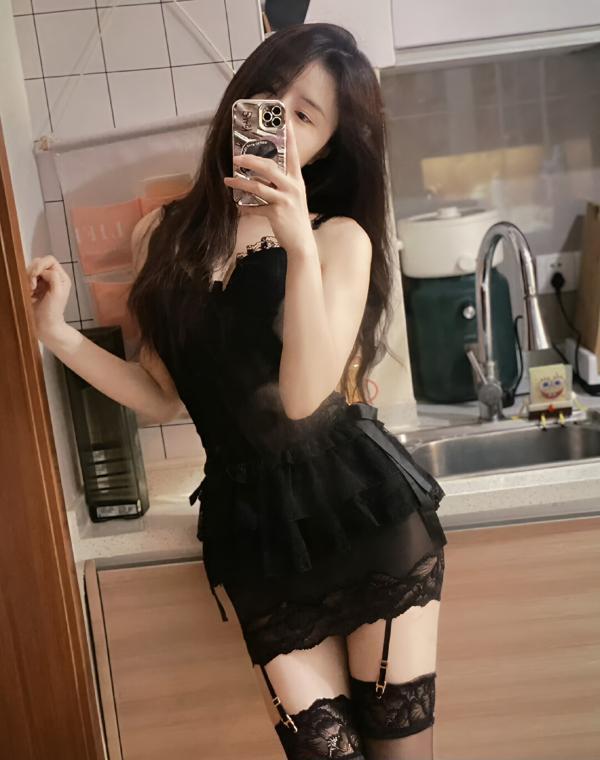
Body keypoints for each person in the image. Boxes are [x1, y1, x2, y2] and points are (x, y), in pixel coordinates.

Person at [28, 22, 448, 760]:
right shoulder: (160, 235)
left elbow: (303, 398)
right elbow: (162, 395)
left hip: (366, 516)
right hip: (254, 530)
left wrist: (297, 244)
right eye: (268, 93)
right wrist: (56, 335)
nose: (276, 115)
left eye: (305, 114)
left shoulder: (340, 238)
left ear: (328, 146)